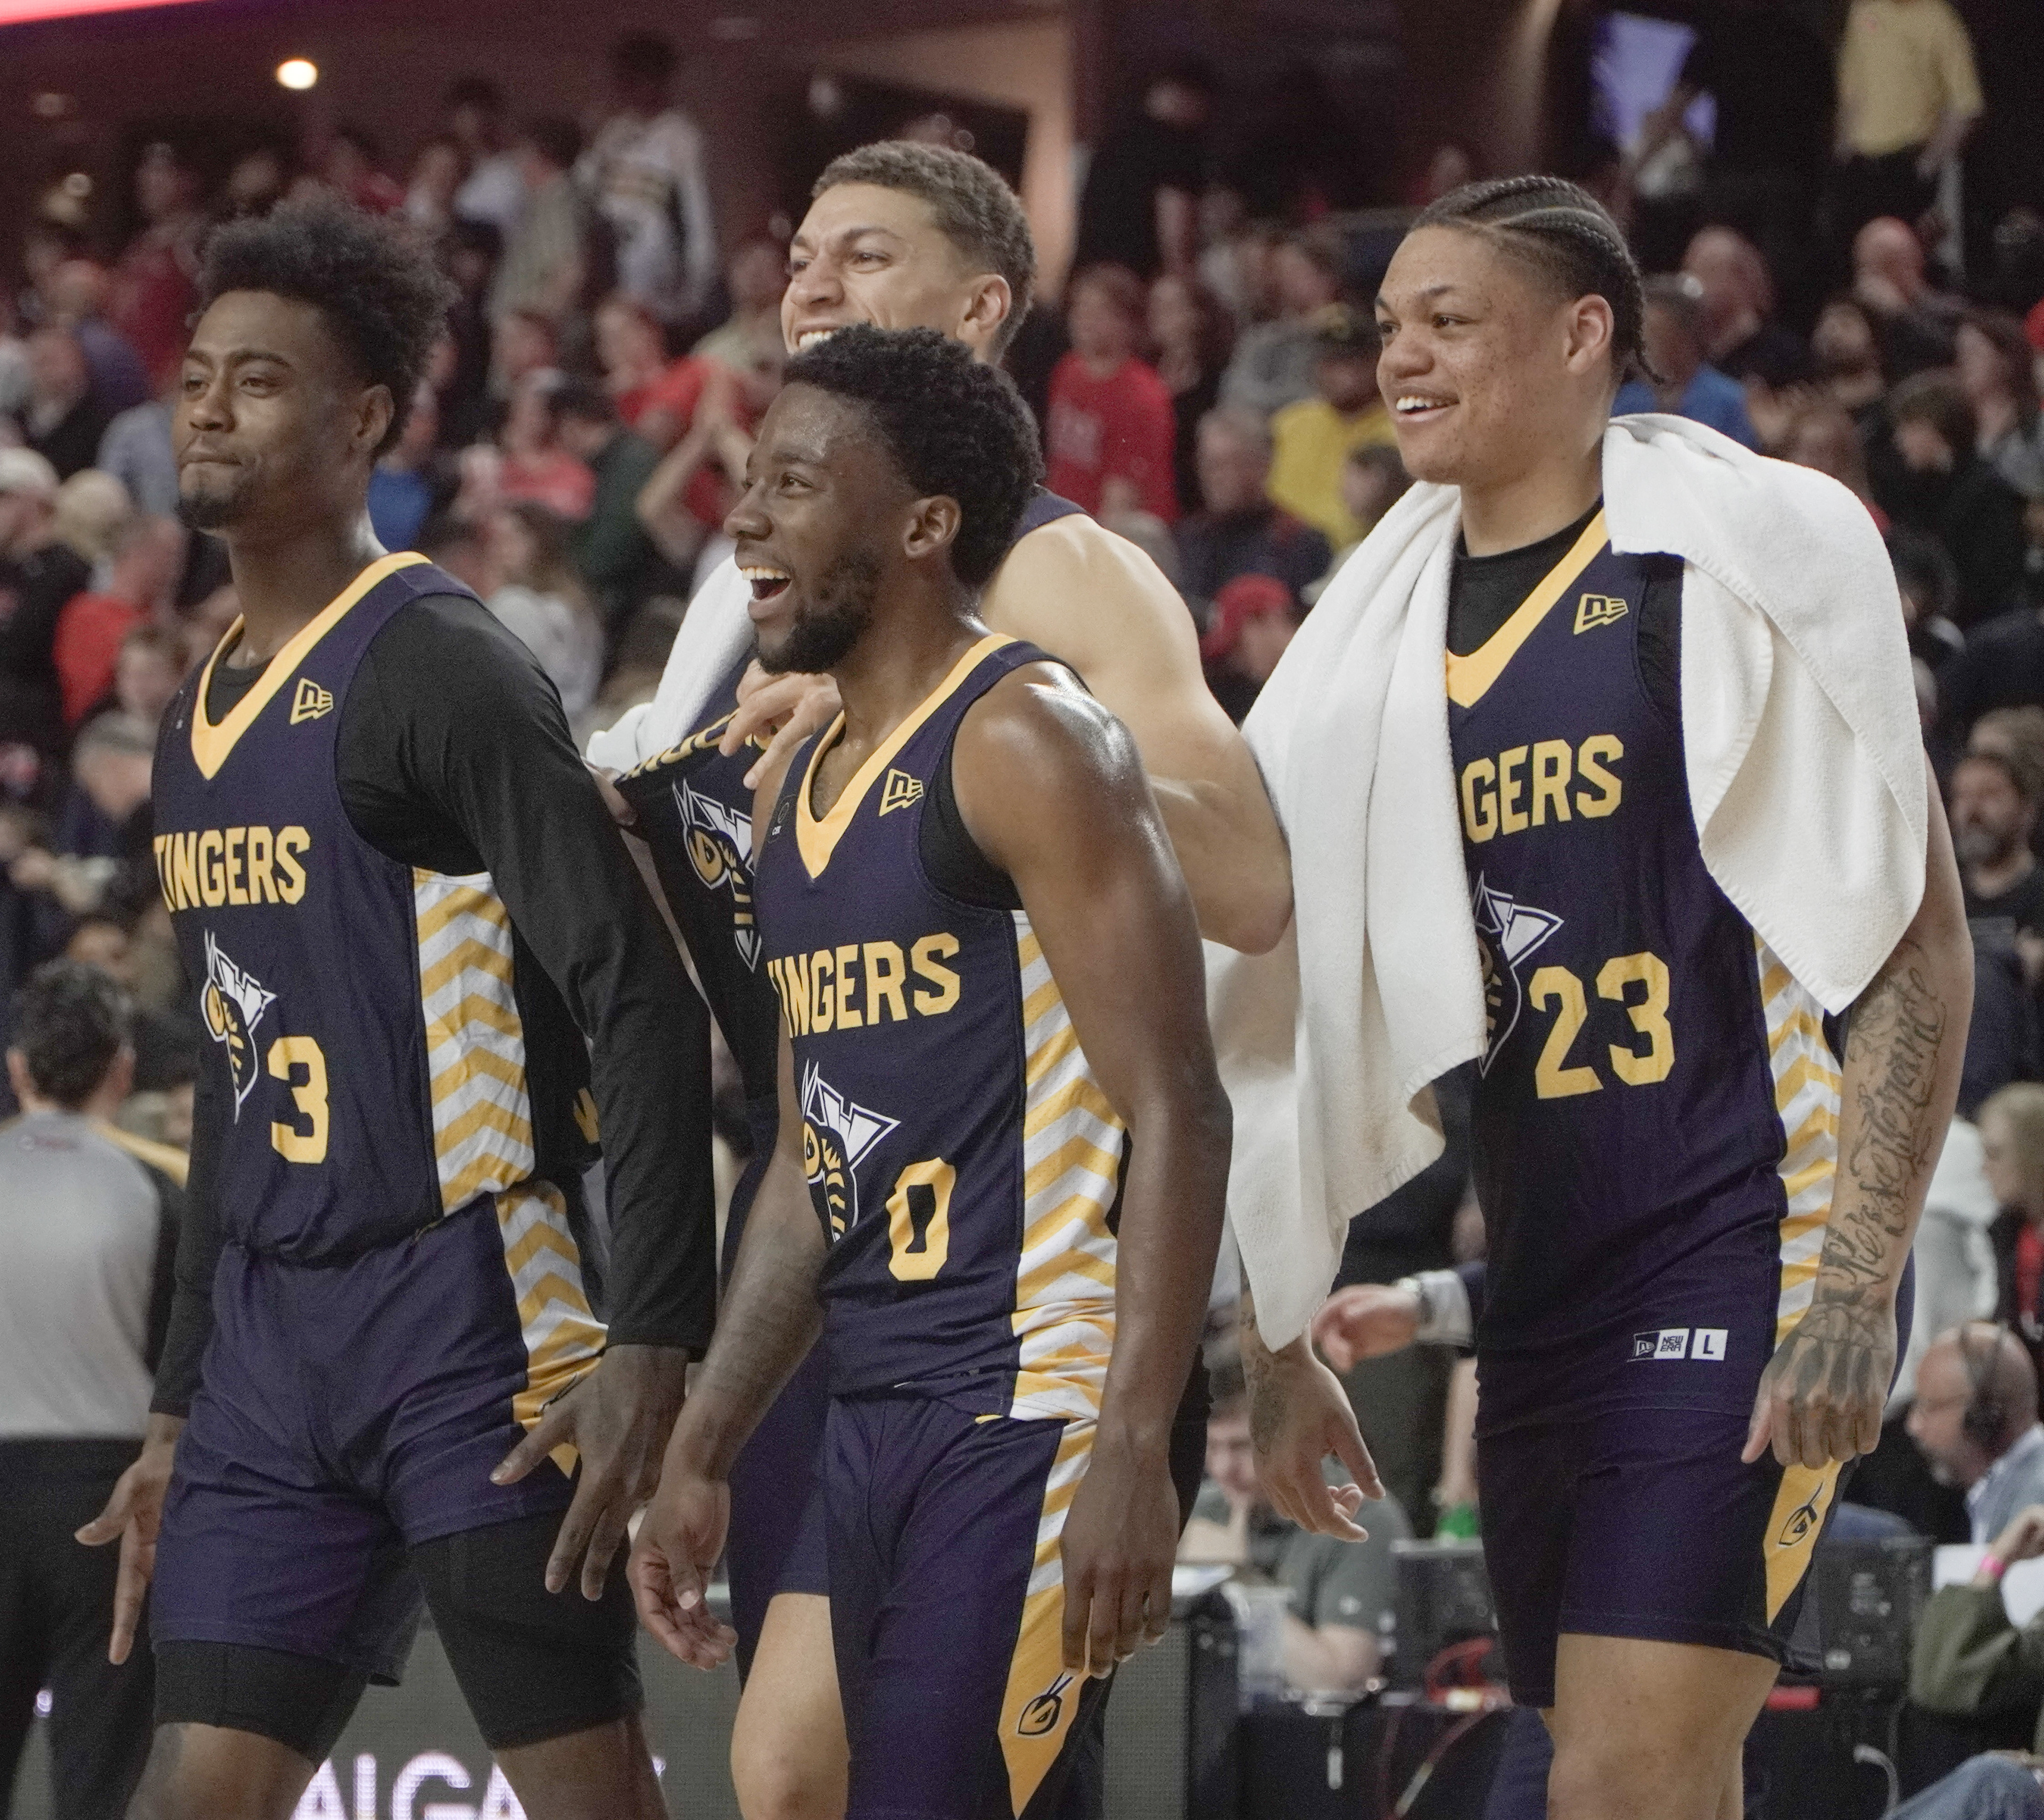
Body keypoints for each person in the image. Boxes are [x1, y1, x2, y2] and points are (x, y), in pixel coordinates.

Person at [1234, 176, 1971, 1820]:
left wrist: (1854, 1285)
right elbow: (1271, 991)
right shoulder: (1367, 650)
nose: (1399, 357)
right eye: (1384, 330)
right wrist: (1273, 1330)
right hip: (1543, 1271)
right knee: (1618, 1773)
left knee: (1627, 1772)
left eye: (1445, 321)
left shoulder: (1712, 576)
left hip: (1742, 1237)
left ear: (1581, 335)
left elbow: (1916, 944)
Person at [588, 138, 1288, 1820]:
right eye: (801, 255)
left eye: (865, 256)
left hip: (1026, 1284)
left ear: (981, 303)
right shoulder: (766, 601)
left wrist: (973, 733)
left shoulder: (1048, 577)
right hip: (851, 1225)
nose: (812, 284)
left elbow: (1254, 878)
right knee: (783, 1770)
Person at [75, 196, 716, 1817]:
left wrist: (652, 1331)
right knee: (189, 1792)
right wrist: (175, 1395)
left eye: (262, 380)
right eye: (200, 375)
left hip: (468, 1307)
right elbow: (234, 1072)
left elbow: (632, 990)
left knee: (588, 1797)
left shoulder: (437, 662)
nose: (211, 406)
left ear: (364, 417)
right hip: (270, 1346)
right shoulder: (194, 713)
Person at [1, 961, 184, 1820]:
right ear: (121, 1067)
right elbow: (183, 1369)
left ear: (18, 1067)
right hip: (109, 1503)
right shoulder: (159, 1191)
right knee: (103, 1785)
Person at [1179, 1376, 1408, 1695]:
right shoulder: (1200, 1508)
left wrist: (1232, 1578)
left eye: (1243, 1447)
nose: (1223, 1468)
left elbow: (1339, 1681)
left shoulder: (1359, 1516)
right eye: (1212, 1446)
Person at [578, 31, 719, 335]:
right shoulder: (613, 133)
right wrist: (599, 150)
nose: (640, 88)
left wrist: (697, 284)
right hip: (612, 267)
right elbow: (584, 194)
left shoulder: (680, 135)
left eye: (648, 78)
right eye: (631, 79)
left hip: (660, 275)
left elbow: (698, 216)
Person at [1881, 372, 2029, 627]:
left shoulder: (1986, 490)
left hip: (1984, 630)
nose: (1899, 441)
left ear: (1937, 428)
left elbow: (1993, 580)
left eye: (1909, 427)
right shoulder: (1916, 492)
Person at [1834, 0, 1984, 241]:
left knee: (1904, 258)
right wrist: (1840, 157)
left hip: (1907, 165)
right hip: (1860, 167)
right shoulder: (1864, 10)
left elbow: (1967, 105)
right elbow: (1852, 91)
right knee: (1860, 258)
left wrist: (1927, 166)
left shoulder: (1938, 18)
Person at [1043, 263, 1177, 522]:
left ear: (1126, 323)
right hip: (1065, 519)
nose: (1084, 321)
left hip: (1122, 531)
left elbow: (1123, 497)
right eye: (1080, 309)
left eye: (1098, 313)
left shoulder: (1142, 394)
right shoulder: (1067, 371)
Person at [1266, 303, 1398, 549]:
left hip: (1356, 554)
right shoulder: (1290, 422)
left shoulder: (1401, 430)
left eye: (1350, 361)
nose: (1338, 373)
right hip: (1284, 555)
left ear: (1377, 362)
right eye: (1329, 361)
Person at [1177, 408, 1332, 611]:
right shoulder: (1190, 539)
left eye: (1226, 464)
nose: (1215, 477)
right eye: (1209, 464)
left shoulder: (1299, 543)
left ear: (1262, 465)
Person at [1072, 61, 1210, 281]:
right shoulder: (1177, 145)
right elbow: (1175, 230)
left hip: (1089, 277)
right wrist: (1183, 282)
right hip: (1137, 279)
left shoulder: (1110, 141)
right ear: (1193, 99)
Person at [1906, 1324, 2044, 1543]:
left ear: (1984, 1416)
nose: (1913, 1425)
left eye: (1929, 1407)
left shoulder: (2035, 1501)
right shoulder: (1999, 1491)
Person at [51, 513, 185, 729]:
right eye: (169, 555)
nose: (176, 569)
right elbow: (87, 696)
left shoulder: (163, 622)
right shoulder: (88, 614)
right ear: (139, 553)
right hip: (102, 735)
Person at [0, 446, 89, 757]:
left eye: (4, 497)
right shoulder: (7, 568)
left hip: (32, 736)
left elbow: (24, 649)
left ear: (36, 500)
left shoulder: (66, 571)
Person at [1612, 276, 1759, 449]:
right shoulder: (1628, 401)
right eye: (1640, 335)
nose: (1643, 347)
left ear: (1686, 339)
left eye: (1656, 334)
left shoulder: (1731, 403)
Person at [108, 143, 206, 393]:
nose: (149, 181)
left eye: (161, 172)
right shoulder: (140, 245)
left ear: (187, 180)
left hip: (167, 391)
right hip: (123, 385)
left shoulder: (198, 239)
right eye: (147, 172)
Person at [1220, 228, 1347, 418]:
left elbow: (1313, 395)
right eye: (1279, 272)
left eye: (1293, 270)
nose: (1282, 280)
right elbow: (1233, 389)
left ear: (1324, 276)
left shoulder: (1344, 332)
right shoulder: (1265, 335)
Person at [1678, 228, 1810, 391]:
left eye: (1707, 270)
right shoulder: (1689, 358)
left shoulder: (1784, 355)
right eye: (1688, 270)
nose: (1691, 283)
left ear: (1742, 279)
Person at [1147, 272, 1233, 517]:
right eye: (1155, 307)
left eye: (1171, 308)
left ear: (1197, 316)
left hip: (1192, 502)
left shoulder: (1215, 380)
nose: (1160, 316)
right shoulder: (1143, 372)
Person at [1952, 752, 2044, 979]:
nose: (1972, 810)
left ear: (2027, 809)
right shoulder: (1942, 897)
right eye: (1962, 796)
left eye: (1989, 795)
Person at [1957, 312, 2044, 504]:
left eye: (1973, 353)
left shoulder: (2036, 430)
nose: (1963, 363)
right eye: (1959, 354)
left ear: (2005, 359)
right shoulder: (1956, 431)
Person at [444, 77, 528, 240]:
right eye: (465, 114)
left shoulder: (510, 170)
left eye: (478, 114)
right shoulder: (442, 167)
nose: (473, 123)